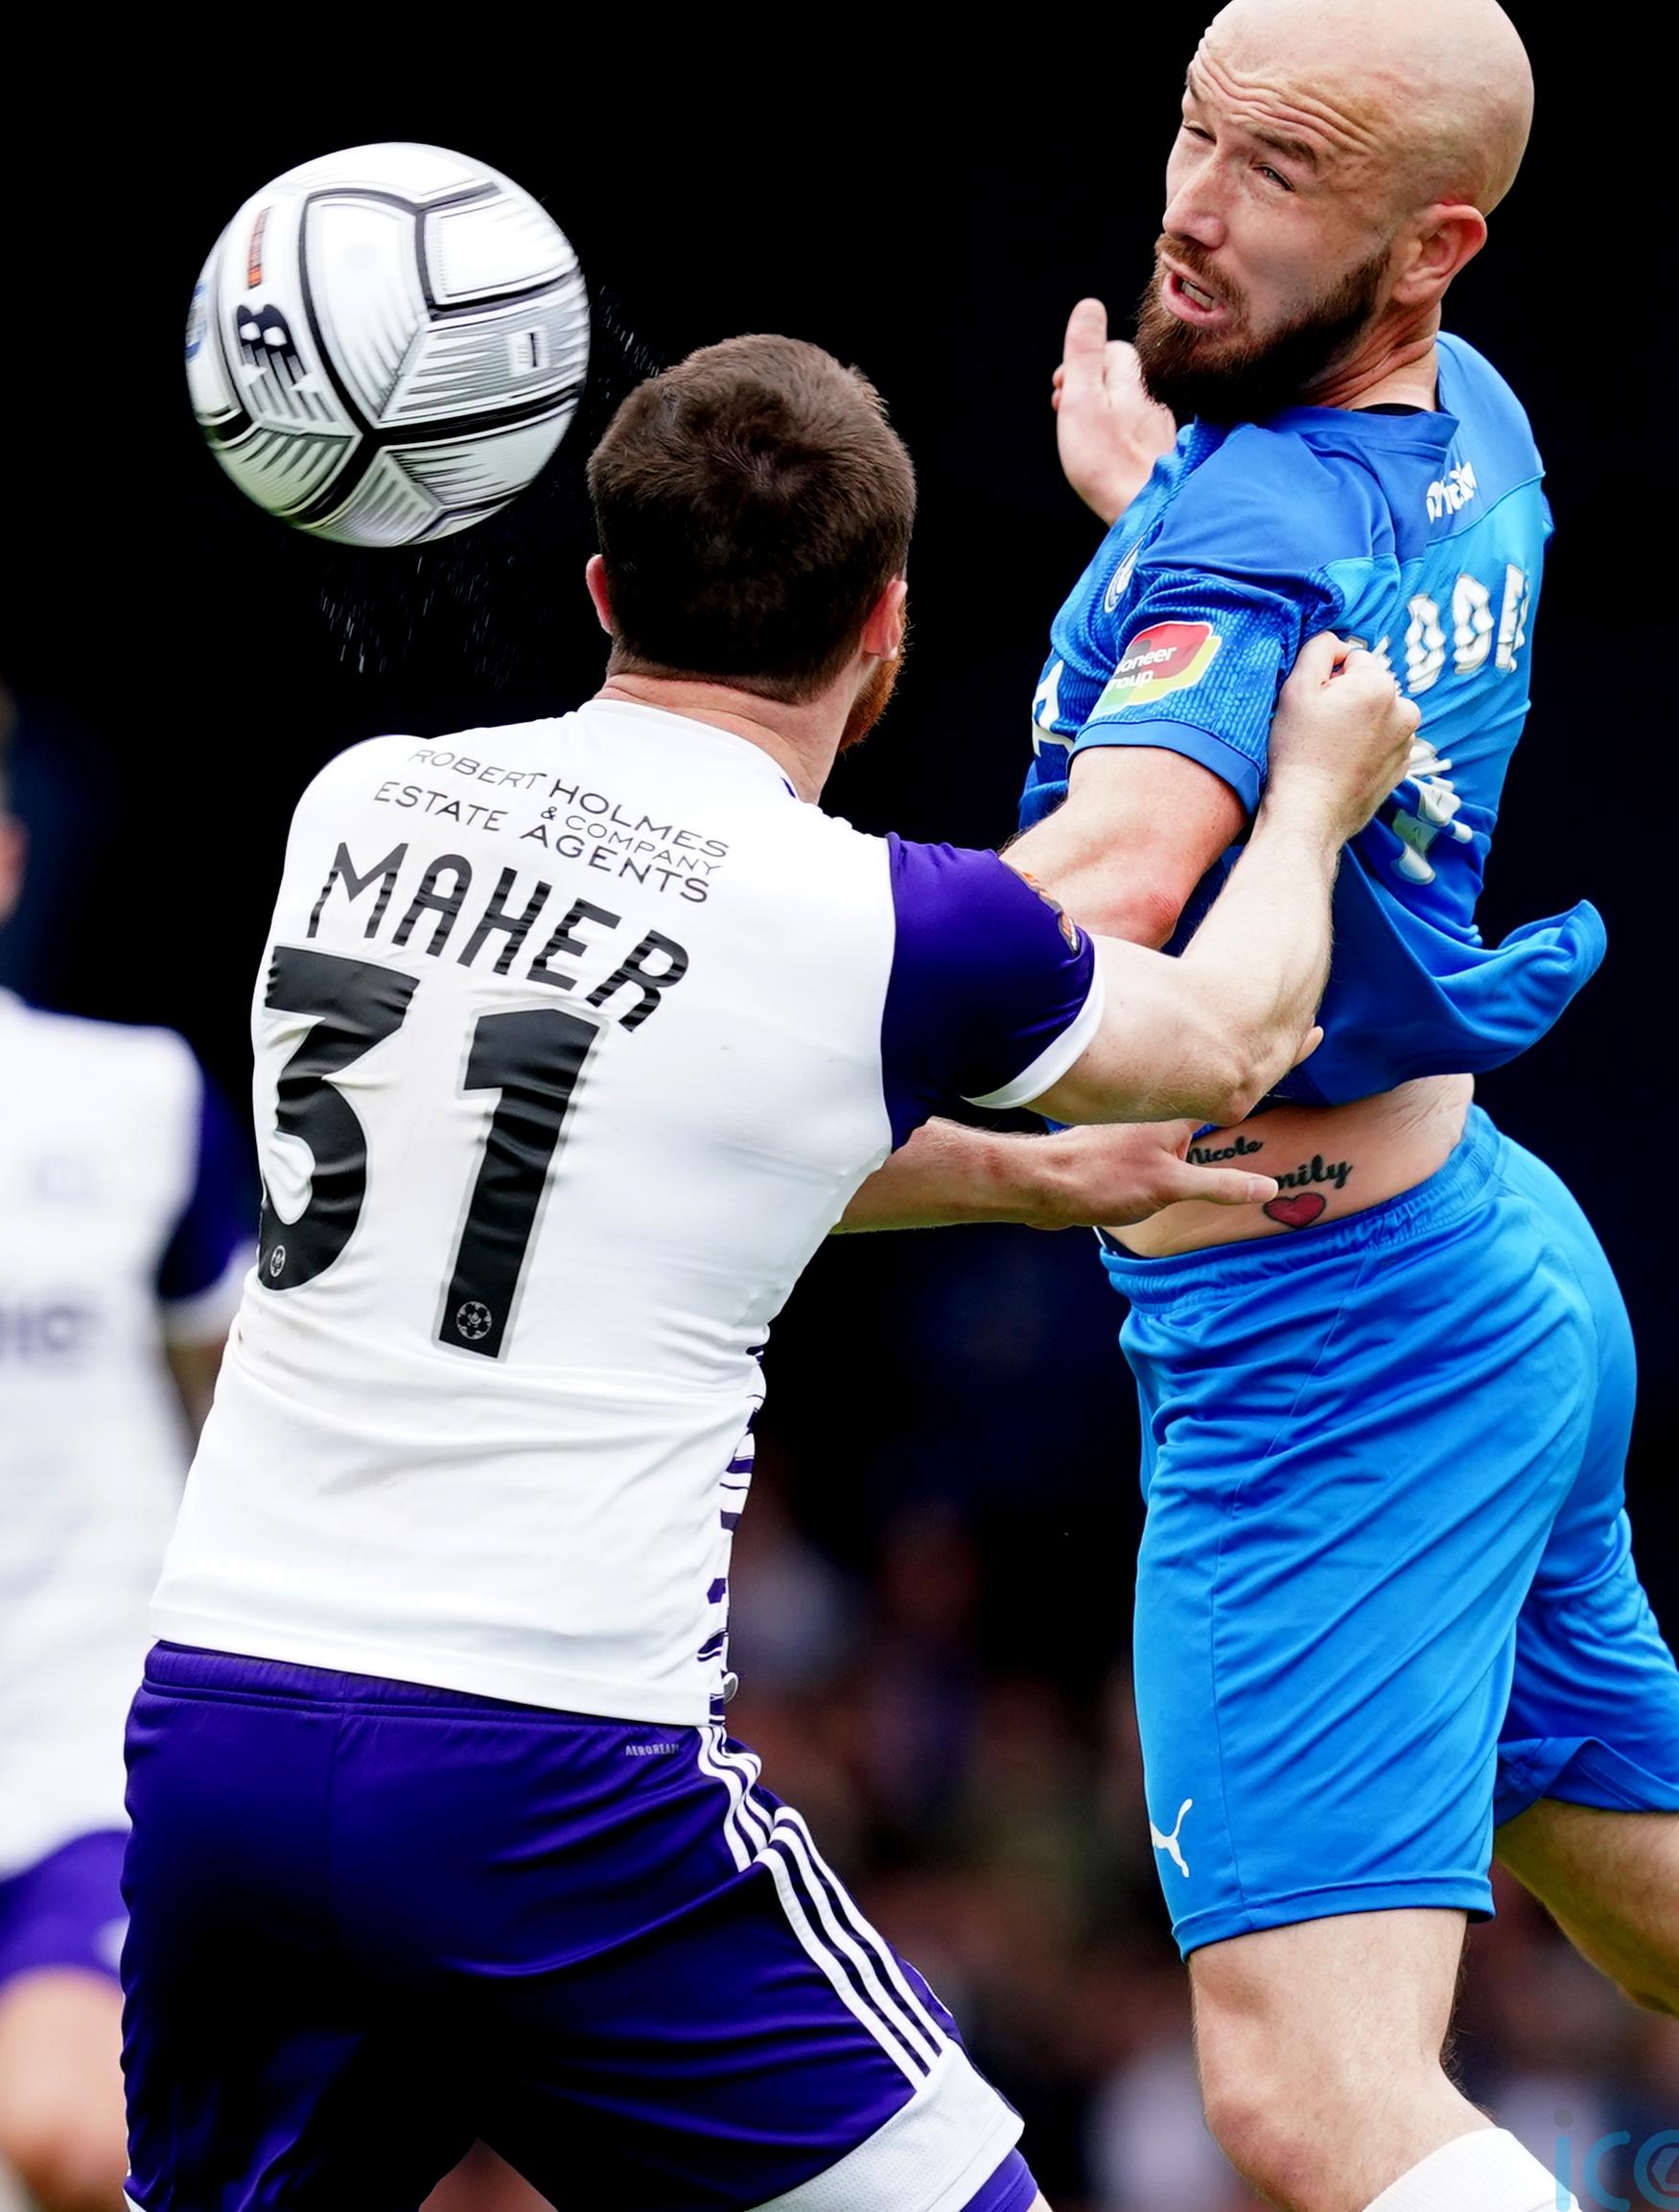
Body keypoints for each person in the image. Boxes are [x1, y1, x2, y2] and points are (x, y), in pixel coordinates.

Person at [116, 334, 1417, 2212]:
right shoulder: (878, 919)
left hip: (222, 1729)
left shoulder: (364, 801)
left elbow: (619, 1142)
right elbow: (1229, 1035)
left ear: (600, 591)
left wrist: (1023, 1183)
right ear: (886, 634)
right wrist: (1311, 794)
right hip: (551, 1776)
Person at [840, 0, 1679, 2211]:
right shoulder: (1468, 418)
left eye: (1281, 167)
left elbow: (1113, 877)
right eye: (1194, 126)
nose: (1195, 204)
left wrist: (720, 949)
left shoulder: (1253, 533)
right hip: (1481, 1261)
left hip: (1326, 1339)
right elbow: (1307, 557)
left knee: (1311, 2095)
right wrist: (1154, 517)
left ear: (1434, 245)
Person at [0, 685, 251, 2212]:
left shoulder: (137, 1099)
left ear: (9, 859)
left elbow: (240, 1408)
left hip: (78, 1736)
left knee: (72, 2134)